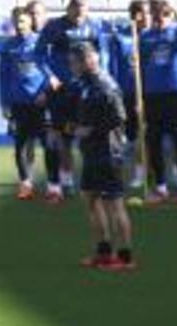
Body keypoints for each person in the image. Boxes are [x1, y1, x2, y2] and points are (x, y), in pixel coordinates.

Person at [70, 43, 135, 270]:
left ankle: (125, 257)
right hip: (91, 152)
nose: (71, 67)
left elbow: (119, 117)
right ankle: (104, 251)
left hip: (108, 152)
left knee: (114, 204)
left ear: (87, 61)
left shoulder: (106, 85)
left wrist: (91, 130)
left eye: (74, 62)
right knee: (90, 199)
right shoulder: (86, 85)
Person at [35, 0, 105, 203]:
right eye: (76, 5)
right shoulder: (54, 26)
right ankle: (55, 185)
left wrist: (99, 78)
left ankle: (80, 181)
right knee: (56, 137)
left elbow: (103, 54)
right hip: (59, 92)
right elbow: (38, 54)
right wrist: (50, 76)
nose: (79, 10)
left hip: (84, 92)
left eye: (83, 6)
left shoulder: (94, 26)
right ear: (68, 7)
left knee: (85, 136)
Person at [139, 0, 177, 206]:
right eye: (156, 13)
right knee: (153, 142)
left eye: (164, 13)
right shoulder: (144, 36)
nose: (160, 17)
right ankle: (161, 188)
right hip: (152, 96)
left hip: (174, 95)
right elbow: (139, 66)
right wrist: (140, 97)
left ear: (170, 14)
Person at [0, 5, 51, 200]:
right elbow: (3, 77)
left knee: (49, 144)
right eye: (15, 21)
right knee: (20, 146)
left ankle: (53, 184)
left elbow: (51, 70)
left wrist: (46, 93)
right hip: (18, 104)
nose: (18, 25)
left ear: (30, 20)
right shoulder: (8, 47)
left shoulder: (42, 43)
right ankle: (25, 184)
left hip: (40, 102)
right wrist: (4, 103)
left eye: (22, 21)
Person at [107, 1, 150, 189]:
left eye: (149, 13)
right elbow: (113, 69)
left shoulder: (153, 35)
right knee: (128, 137)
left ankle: (148, 173)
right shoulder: (120, 38)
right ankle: (127, 174)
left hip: (151, 93)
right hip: (126, 94)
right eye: (145, 13)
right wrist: (116, 96)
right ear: (136, 15)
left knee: (147, 134)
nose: (148, 17)